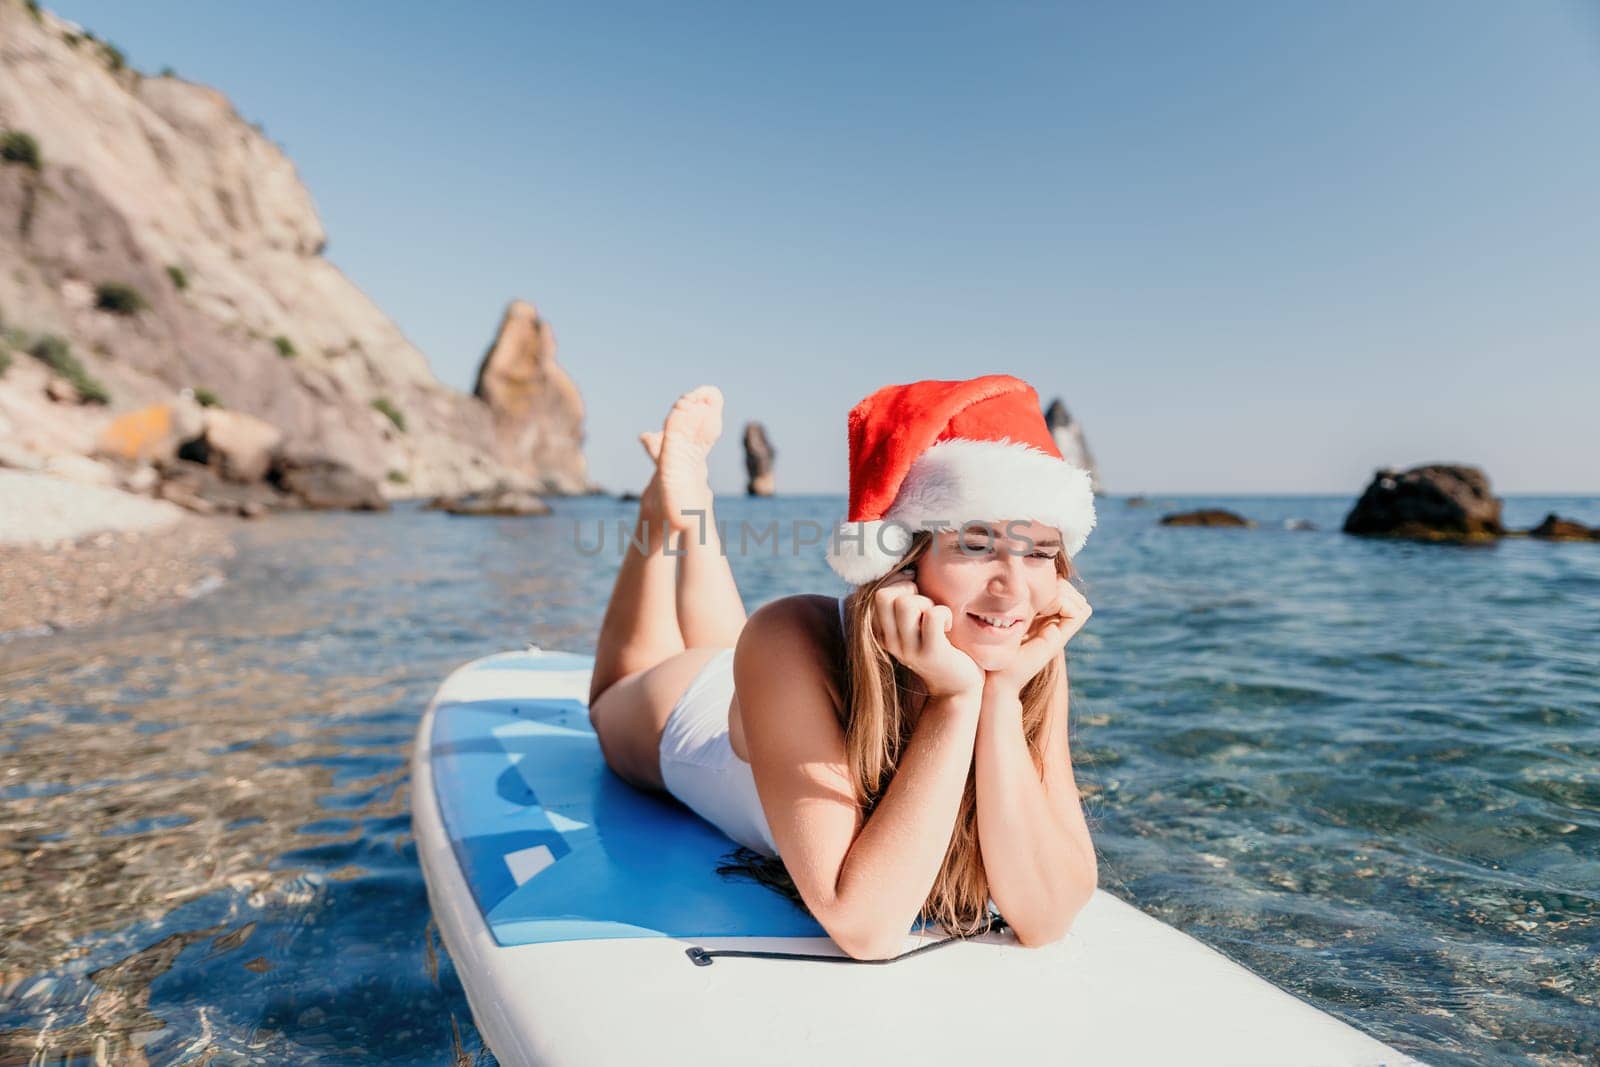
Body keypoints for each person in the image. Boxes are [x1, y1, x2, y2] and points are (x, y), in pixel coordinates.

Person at [588, 374, 1099, 960]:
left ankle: (694, 508)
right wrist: (955, 701)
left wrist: (1000, 695)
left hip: (770, 697)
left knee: (736, 646)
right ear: (901, 559)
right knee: (612, 695)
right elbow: (865, 928)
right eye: (976, 545)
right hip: (688, 717)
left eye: (1038, 553)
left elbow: (1048, 916)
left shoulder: (1025, 655)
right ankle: (663, 516)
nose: (1013, 592)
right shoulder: (789, 637)